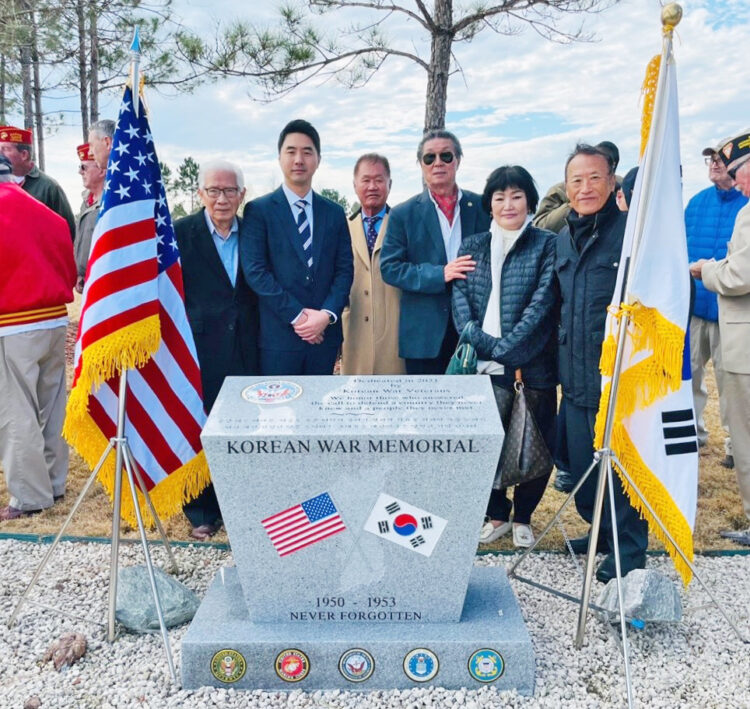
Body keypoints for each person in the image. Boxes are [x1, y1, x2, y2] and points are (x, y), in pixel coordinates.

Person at [555, 143, 648, 582]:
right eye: (577, 179)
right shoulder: (563, 238)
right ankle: (601, 535)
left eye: (595, 177)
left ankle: (628, 553)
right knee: (582, 472)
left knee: (622, 476)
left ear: (612, 182)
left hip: (617, 378)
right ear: (566, 187)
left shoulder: (633, 235)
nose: (586, 187)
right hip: (574, 378)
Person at [452, 166, 557, 548]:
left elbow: (541, 306)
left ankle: (525, 516)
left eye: (516, 196)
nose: (508, 204)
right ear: (489, 203)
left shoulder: (546, 244)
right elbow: (461, 307)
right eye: (499, 197)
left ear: (529, 200)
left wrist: (504, 349)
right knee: (487, 447)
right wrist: (485, 346)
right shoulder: (472, 246)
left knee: (533, 441)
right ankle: (496, 514)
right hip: (483, 369)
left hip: (532, 366)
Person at [175, 159, 260, 540]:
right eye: (213, 190)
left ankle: (239, 505)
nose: (222, 199)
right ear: (200, 194)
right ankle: (202, 511)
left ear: (242, 195)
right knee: (201, 427)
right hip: (199, 346)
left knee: (244, 426)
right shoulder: (180, 233)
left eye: (229, 191)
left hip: (249, 345)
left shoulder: (256, 231)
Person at [240, 119, 353, 376]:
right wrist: (299, 317)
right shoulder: (259, 211)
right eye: (291, 151)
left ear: (318, 159)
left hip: (325, 339)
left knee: (320, 412)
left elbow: (344, 270)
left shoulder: (334, 213)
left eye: (307, 152)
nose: (298, 159)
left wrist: (325, 316)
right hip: (279, 339)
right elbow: (256, 272)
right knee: (278, 414)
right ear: (280, 158)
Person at [0, 155, 77, 521]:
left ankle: (30, 495)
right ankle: (55, 482)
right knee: (52, 405)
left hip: (10, 320)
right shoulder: (46, 212)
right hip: (52, 317)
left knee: (15, 410)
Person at [380, 129, 490, 373]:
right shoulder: (402, 214)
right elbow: (390, 268)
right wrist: (440, 274)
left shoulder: (483, 208)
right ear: (421, 164)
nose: (438, 163)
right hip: (423, 337)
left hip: (475, 331)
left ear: (458, 161)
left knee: (470, 407)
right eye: (429, 157)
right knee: (425, 410)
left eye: (446, 156)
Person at [690, 130, 750, 547]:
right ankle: (695, 438)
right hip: (702, 312)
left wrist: (706, 270)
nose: (721, 169)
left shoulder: (746, 209)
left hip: (737, 326)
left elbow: (738, 274)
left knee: (741, 416)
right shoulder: (697, 203)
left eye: (732, 167)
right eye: (713, 161)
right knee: (692, 382)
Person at [341, 153, 405, 375]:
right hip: (354, 336)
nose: (372, 186)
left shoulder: (404, 225)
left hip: (395, 339)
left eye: (379, 180)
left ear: (389, 184)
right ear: (355, 185)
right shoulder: (342, 229)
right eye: (366, 180)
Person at [0, 125, 75, 240]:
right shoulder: (2, 186)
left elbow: (68, 232)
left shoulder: (49, 187)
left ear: (24, 155)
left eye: (5, 149)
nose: (1, 154)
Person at [534, 140, 621, 234]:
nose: (586, 189)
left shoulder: (624, 186)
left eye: (595, 177)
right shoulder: (559, 190)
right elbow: (540, 225)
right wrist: (574, 204)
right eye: (578, 180)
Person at [73, 143, 106, 293]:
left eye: (84, 167)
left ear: (100, 170)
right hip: (88, 283)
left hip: (104, 282)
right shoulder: (86, 202)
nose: (80, 172)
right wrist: (80, 273)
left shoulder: (110, 204)